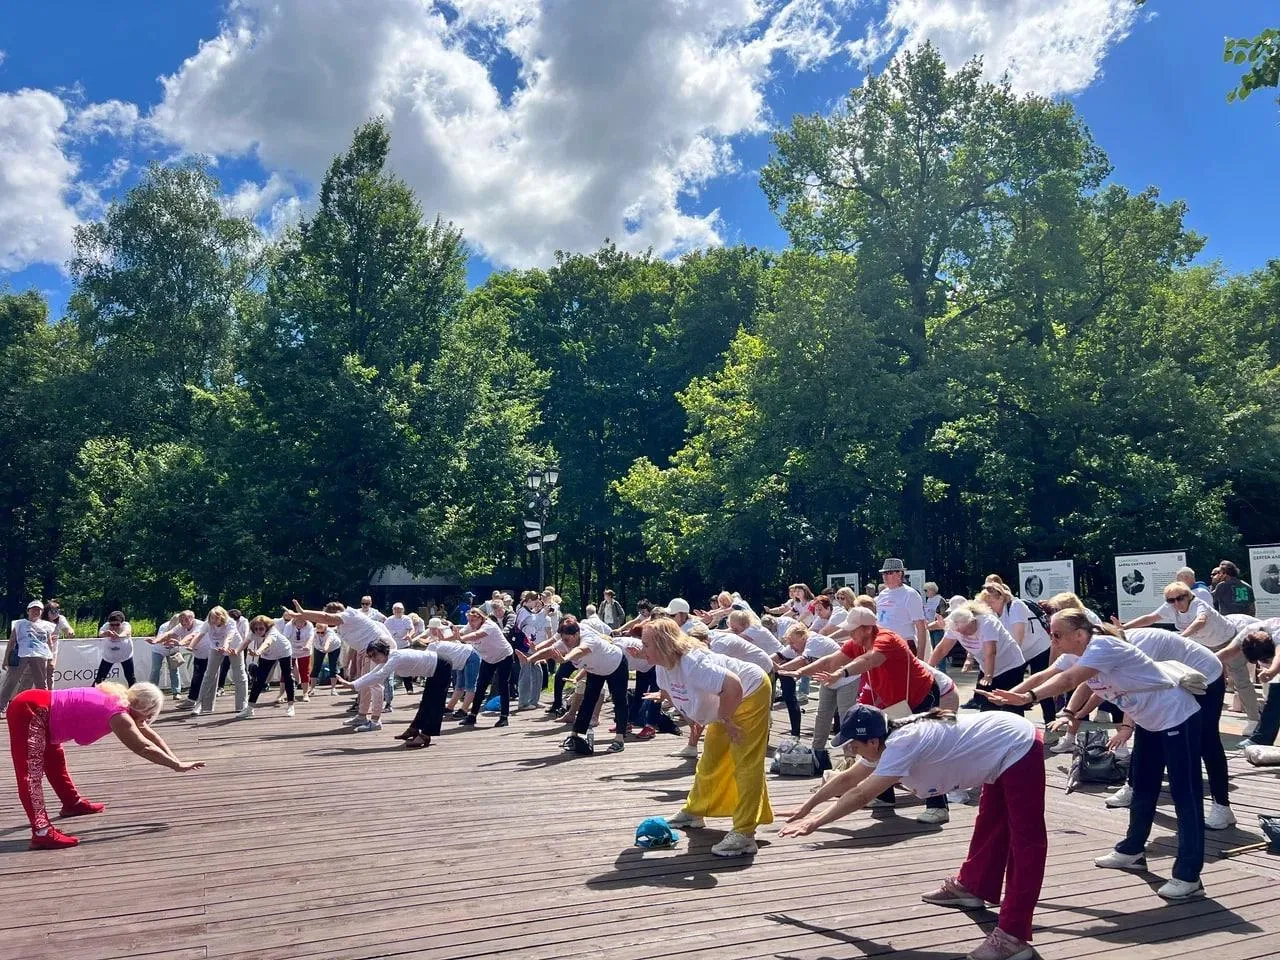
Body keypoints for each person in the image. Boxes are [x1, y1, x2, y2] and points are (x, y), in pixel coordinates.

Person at [777, 706, 1045, 960]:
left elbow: (861, 793)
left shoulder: (901, 745)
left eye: (853, 745)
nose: (850, 749)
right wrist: (806, 807)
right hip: (994, 744)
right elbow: (849, 778)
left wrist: (814, 823)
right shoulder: (884, 738)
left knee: (1026, 841)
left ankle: (1013, 937)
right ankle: (972, 886)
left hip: (1017, 744)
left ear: (872, 742)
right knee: (990, 820)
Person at [986, 612, 1206, 901]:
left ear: (1079, 633)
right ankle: (1133, 850)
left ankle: (1189, 876)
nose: (1052, 640)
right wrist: (1063, 712)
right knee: (1141, 786)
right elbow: (1079, 682)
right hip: (1152, 722)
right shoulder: (1082, 654)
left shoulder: (1102, 646)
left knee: (1184, 794)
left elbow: (1070, 679)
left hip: (1177, 717)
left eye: (1056, 634)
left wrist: (1029, 698)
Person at [780, 606, 949, 824]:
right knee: (878, 745)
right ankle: (884, 796)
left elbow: (870, 660)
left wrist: (841, 673)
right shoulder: (857, 642)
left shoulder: (887, 639)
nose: (849, 634)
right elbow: (832, 660)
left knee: (921, 748)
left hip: (920, 696)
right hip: (893, 702)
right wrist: (800, 672)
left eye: (853, 630)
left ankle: (938, 806)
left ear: (868, 629)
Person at [6, 681, 204, 849]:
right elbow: (144, 747)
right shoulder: (118, 713)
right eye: (149, 715)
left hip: (40, 708)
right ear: (144, 708)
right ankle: (41, 832)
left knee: (55, 761)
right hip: (31, 710)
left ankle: (72, 804)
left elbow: (147, 734)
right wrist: (175, 766)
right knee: (31, 773)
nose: (147, 721)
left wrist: (176, 760)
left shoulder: (122, 699)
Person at [642, 617, 772, 856]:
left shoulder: (693, 663)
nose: (642, 649)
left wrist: (726, 721)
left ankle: (744, 834)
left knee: (746, 761)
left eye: (647, 644)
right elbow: (672, 692)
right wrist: (693, 718)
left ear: (663, 645)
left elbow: (732, 686)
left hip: (750, 690)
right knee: (711, 757)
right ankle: (695, 811)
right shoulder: (662, 666)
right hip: (727, 701)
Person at [1097, 627, 1235, 830]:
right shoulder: (1115, 647)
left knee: (1207, 741)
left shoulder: (1137, 649)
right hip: (1177, 680)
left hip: (1206, 676)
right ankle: (1132, 787)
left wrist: (1126, 726)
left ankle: (1223, 806)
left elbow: (1136, 689)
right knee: (1147, 729)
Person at [1122, 581, 1259, 730]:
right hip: (1204, 646)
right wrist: (1123, 627)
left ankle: (1254, 720)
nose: (1176, 603)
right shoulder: (1171, 607)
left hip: (1228, 641)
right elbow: (1151, 618)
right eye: (1170, 600)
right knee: (1194, 679)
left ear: (1188, 596)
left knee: (1241, 680)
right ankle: (1194, 717)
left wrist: (1182, 636)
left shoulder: (1199, 605)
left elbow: (1200, 621)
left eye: (1180, 598)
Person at [524, 616, 629, 753]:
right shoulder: (565, 641)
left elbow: (580, 651)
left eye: (567, 639)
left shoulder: (589, 639)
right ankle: (576, 735)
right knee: (588, 701)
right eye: (563, 639)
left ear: (577, 634)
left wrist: (565, 659)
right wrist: (529, 659)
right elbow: (550, 650)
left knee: (619, 700)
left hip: (616, 665)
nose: (565, 643)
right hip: (596, 670)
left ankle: (619, 739)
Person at [777, 623, 859, 763]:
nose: (791, 647)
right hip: (827, 679)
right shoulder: (799, 643)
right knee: (822, 715)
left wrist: (779, 670)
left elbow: (803, 660)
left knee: (846, 717)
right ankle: (817, 753)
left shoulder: (815, 640)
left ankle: (849, 758)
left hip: (847, 679)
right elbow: (779, 655)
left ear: (803, 637)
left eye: (793, 643)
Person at [930, 602, 1026, 713]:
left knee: (1011, 705)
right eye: (960, 632)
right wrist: (928, 668)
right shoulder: (955, 625)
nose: (964, 634)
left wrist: (988, 676)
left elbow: (990, 652)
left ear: (972, 621)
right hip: (987, 666)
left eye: (966, 630)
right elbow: (942, 649)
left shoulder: (987, 623)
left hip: (1011, 665)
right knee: (987, 707)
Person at [454, 607, 514, 728]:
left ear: (481, 618)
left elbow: (477, 635)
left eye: (473, 620)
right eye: (469, 620)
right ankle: (472, 716)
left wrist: (461, 638)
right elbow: (459, 633)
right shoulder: (470, 625)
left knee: (503, 685)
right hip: (488, 659)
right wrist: (444, 637)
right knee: (481, 685)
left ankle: (504, 717)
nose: (471, 623)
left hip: (504, 656)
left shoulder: (489, 625)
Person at [0, 601, 58, 715]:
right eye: (33, 609)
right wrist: (6, 658)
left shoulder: (47, 625)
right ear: (28, 611)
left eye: (39, 609)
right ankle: (1, 706)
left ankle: (44, 706)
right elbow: (12, 641)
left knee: (41, 683)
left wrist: (51, 657)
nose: (36, 611)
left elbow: (49, 643)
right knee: (11, 681)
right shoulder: (20, 624)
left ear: (41, 612)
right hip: (21, 654)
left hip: (39, 655)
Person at [238, 616, 297, 720]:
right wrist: (236, 651)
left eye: (261, 628)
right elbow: (245, 643)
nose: (258, 631)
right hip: (268, 654)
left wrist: (258, 652)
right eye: (256, 629)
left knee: (287, 676)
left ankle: (291, 706)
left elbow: (267, 642)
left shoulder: (272, 631)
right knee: (259, 680)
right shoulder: (253, 633)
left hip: (283, 651)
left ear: (267, 627)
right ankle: (250, 708)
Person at [1235, 628, 1280, 747]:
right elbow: (1229, 650)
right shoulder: (1267, 632)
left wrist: (1271, 671)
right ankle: (1261, 738)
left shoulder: (1277, 638)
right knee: (1275, 699)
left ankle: (1261, 738)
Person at [874, 558, 928, 657]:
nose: (885, 576)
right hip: (882, 645)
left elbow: (920, 627)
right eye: (883, 573)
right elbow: (881, 620)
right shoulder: (882, 594)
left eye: (889, 573)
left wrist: (920, 657)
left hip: (903, 644)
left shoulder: (910, 594)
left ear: (899, 574)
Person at [152, 610, 200, 700]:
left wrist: (180, 643)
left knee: (174, 669)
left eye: (183, 621)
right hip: (159, 650)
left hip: (173, 649)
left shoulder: (184, 627)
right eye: (180, 621)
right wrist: (159, 641)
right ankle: (152, 692)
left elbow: (188, 637)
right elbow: (162, 636)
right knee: (155, 669)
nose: (181, 624)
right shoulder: (164, 626)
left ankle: (176, 692)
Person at [95, 611, 135, 685]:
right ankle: (92, 694)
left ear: (121, 623)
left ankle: (136, 695)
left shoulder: (126, 625)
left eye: (117, 624)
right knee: (100, 678)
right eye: (112, 625)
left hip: (125, 655)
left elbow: (127, 632)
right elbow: (100, 634)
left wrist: (119, 636)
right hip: (109, 656)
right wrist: (106, 633)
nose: (114, 627)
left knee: (130, 677)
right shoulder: (106, 626)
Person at [306, 621, 343, 698]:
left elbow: (328, 641)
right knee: (316, 666)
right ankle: (312, 688)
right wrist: (307, 646)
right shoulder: (313, 631)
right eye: (318, 632)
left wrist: (325, 649)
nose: (319, 634)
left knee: (333, 666)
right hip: (319, 648)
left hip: (333, 648)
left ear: (326, 629)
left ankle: (333, 689)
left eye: (322, 633)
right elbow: (310, 639)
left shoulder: (330, 632)